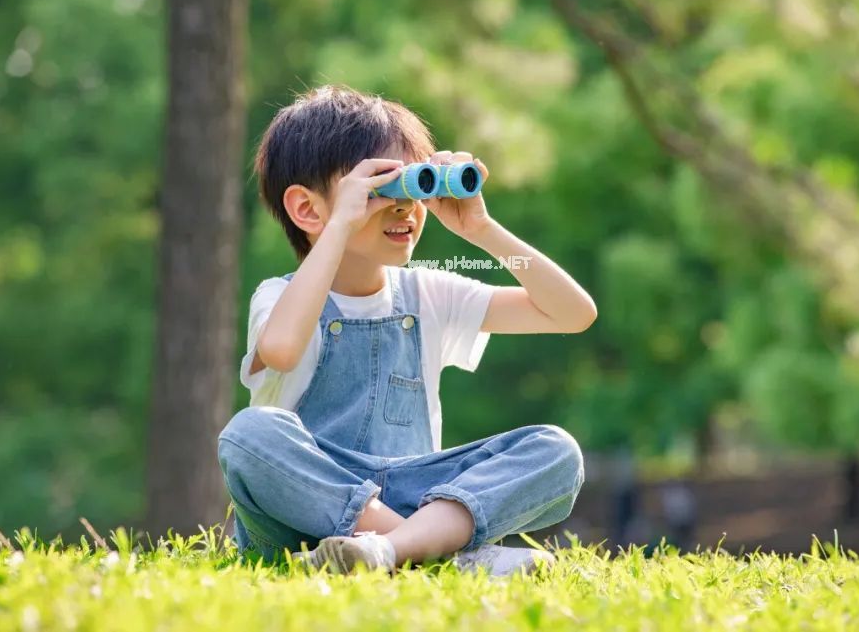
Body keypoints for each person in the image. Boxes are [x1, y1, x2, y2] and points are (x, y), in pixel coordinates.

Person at [217, 86, 596, 576]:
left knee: (555, 450)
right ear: (309, 210)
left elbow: (571, 312)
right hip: (300, 512)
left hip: (420, 495)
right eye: (382, 188)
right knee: (249, 435)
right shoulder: (278, 297)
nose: (405, 208)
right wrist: (340, 226)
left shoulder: (428, 293)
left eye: (416, 187)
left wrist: (482, 230)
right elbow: (283, 350)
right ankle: (439, 556)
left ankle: (390, 553)